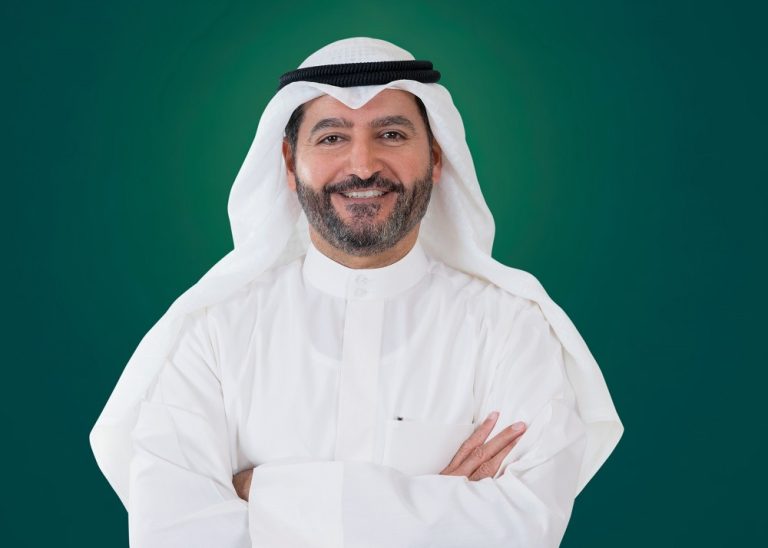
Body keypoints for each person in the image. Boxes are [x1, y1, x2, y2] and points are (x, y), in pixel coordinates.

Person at [90, 37, 623, 547]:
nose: (363, 165)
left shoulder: (511, 330)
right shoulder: (214, 334)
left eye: (391, 134)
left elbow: (524, 528)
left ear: (436, 158)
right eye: (332, 138)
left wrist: (261, 493)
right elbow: (175, 533)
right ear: (289, 164)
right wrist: (441, 508)